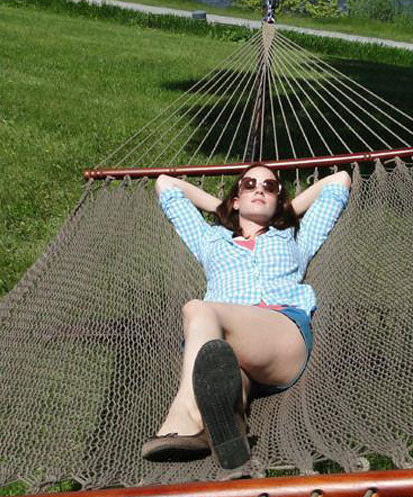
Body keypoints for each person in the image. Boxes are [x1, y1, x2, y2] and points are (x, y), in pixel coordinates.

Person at [141, 164, 351, 469]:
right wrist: (226, 209)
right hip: (222, 348)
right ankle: (230, 434)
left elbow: (338, 182)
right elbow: (166, 185)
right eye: (249, 184)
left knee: (197, 309)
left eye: (270, 187)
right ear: (236, 197)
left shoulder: (294, 238)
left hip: (281, 337)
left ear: (279, 200)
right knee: (222, 379)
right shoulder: (209, 239)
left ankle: (186, 415)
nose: (259, 189)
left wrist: (283, 210)